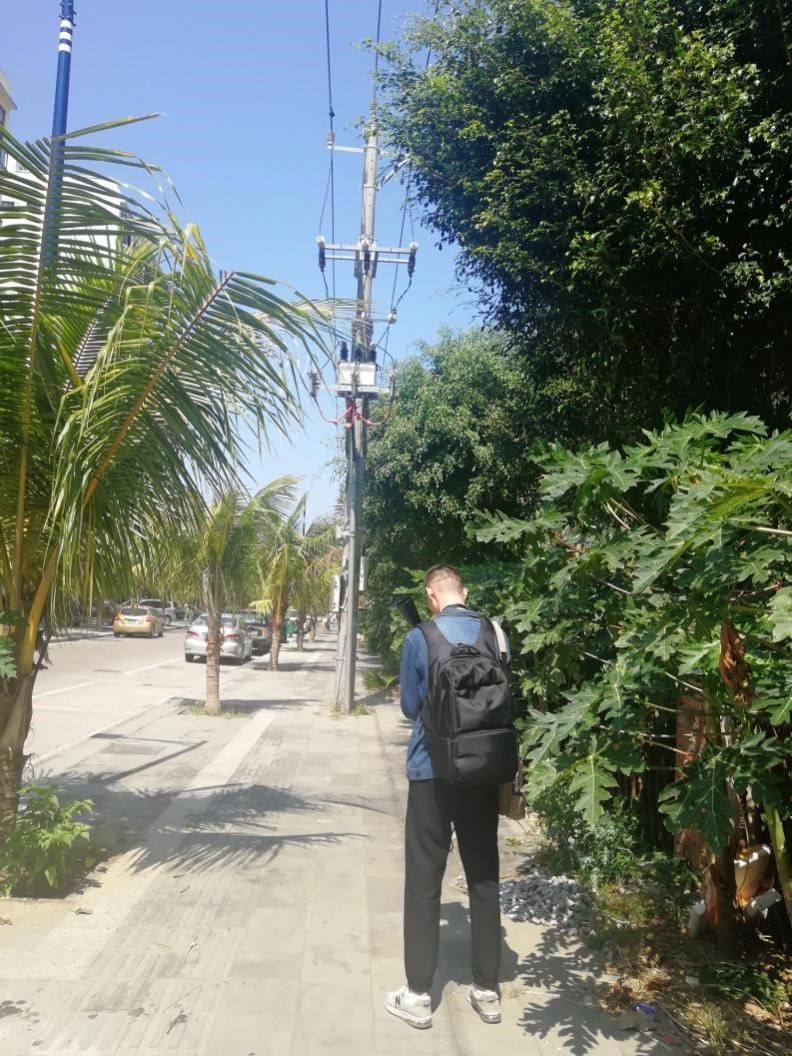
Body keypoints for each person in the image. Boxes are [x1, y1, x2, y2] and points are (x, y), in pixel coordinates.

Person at [385, 564, 508, 1030]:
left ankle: (418, 996)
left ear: (430, 597)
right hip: (483, 773)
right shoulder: (494, 632)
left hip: (430, 772)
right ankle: (488, 992)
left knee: (423, 882)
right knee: (484, 878)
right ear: (465, 592)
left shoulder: (420, 637)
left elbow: (409, 707)